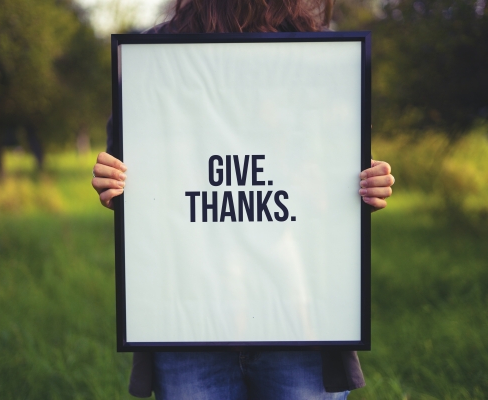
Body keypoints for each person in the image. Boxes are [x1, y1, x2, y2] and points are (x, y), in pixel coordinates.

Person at [92, 0, 395, 398]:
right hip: (188, 321)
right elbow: (134, 176)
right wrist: (112, 182)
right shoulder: (154, 56)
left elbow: (331, 170)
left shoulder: (320, 54)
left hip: (298, 319)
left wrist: (365, 185)